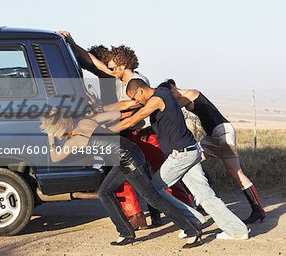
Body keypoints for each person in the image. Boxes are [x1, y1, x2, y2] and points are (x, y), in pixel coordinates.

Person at [109, 79, 250, 241]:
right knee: (204, 194)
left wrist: (101, 132)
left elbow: (133, 120)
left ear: (140, 91)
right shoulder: (160, 95)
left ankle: (191, 219)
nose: (135, 101)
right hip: (189, 151)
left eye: (135, 97)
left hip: (182, 154)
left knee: (154, 190)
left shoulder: (157, 99)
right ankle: (237, 230)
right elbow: (127, 107)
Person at [40, 108, 202, 248]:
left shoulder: (75, 140)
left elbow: (55, 157)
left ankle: (192, 230)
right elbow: (112, 115)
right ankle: (126, 233)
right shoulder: (85, 122)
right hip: (128, 155)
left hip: (129, 160)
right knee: (105, 192)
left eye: (53, 130)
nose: (54, 134)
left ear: (59, 128)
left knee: (152, 198)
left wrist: (50, 139)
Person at [59, 31, 147, 230]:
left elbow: (92, 63)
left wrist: (72, 43)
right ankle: (148, 214)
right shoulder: (119, 79)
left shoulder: (120, 79)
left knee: (124, 173)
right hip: (126, 129)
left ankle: (137, 215)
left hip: (130, 130)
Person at [105, 46, 194, 225]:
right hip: (133, 134)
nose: (110, 71)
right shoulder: (122, 83)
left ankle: (186, 209)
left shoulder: (138, 82)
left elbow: (135, 112)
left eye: (113, 68)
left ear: (122, 65)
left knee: (161, 174)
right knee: (141, 176)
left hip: (145, 134)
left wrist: (107, 126)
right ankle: (147, 216)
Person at [158, 79, 265, 224]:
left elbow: (172, 109)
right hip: (214, 135)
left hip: (222, 132)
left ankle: (257, 209)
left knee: (235, 172)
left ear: (173, 88)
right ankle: (207, 198)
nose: (168, 98)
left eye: (168, 94)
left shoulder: (191, 93)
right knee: (190, 161)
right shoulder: (186, 97)